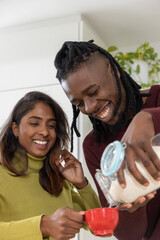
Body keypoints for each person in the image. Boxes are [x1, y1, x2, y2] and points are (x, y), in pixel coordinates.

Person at [54, 40, 160, 240]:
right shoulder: (95, 145)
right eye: (78, 104)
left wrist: (147, 118)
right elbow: (128, 235)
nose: (90, 107)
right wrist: (132, 207)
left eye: (93, 92)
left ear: (114, 71)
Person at [0, 91, 101, 240]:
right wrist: (43, 226)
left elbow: (101, 228)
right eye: (34, 123)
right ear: (15, 128)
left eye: (51, 125)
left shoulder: (57, 176)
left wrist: (81, 184)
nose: (44, 132)